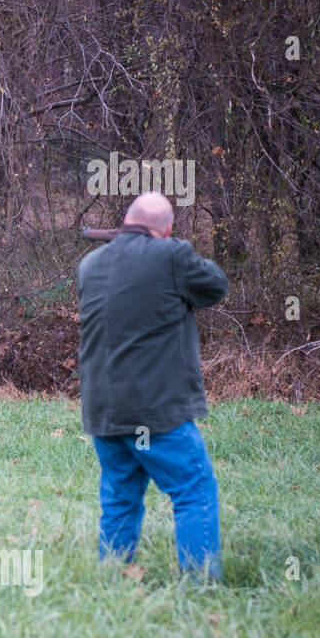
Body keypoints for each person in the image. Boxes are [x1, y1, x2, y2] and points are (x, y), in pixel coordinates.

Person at [76, 191, 229, 580]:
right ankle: (200, 585)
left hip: (104, 413)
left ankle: (112, 580)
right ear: (167, 230)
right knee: (193, 490)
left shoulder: (90, 265)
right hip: (155, 413)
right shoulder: (173, 256)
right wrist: (176, 248)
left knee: (119, 498)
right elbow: (215, 285)